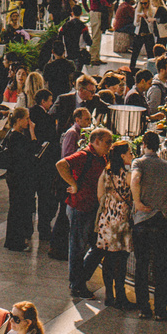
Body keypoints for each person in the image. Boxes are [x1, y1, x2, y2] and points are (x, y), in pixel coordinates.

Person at [57, 127, 113, 298]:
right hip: (79, 206)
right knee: (78, 247)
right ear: (95, 141)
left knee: (98, 245)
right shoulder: (84, 155)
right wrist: (73, 184)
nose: (109, 146)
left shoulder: (101, 157)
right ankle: (77, 285)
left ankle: (79, 279)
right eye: (106, 142)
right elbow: (61, 164)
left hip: (92, 207)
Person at [93, 139, 136, 309]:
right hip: (122, 221)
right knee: (121, 260)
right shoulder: (128, 175)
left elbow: (99, 195)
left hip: (107, 220)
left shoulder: (106, 173)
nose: (132, 156)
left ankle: (109, 295)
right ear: (123, 155)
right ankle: (121, 296)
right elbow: (135, 196)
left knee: (108, 259)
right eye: (130, 153)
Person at [0, 108, 43, 251]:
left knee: (17, 208)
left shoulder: (14, 135)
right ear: (19, 120)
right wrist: (33, 132)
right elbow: (33, 149)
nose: (29, 122)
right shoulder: (17, 137)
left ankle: (15, 240)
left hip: (15, 176)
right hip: (19, 177)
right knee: (18, 209)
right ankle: (16, 241)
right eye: (27, 118)